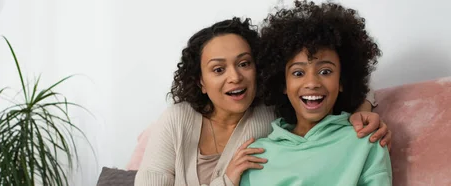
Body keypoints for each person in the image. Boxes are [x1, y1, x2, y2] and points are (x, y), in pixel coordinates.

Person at [134, 17, 390, 186]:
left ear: (261, 69)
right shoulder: (176, 119)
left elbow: (322, 86)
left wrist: (363, 111)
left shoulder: (269, 113)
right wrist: (227, 180)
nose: (235, 77)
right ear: (200, 80)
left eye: (244, 64)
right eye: (218, 69)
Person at [240, 1, 392, 185]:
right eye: (298, 73)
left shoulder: (366, 141)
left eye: (325, 71)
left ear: (342, 81)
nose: (312, 83)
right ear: (283, 84)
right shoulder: (256, 154)